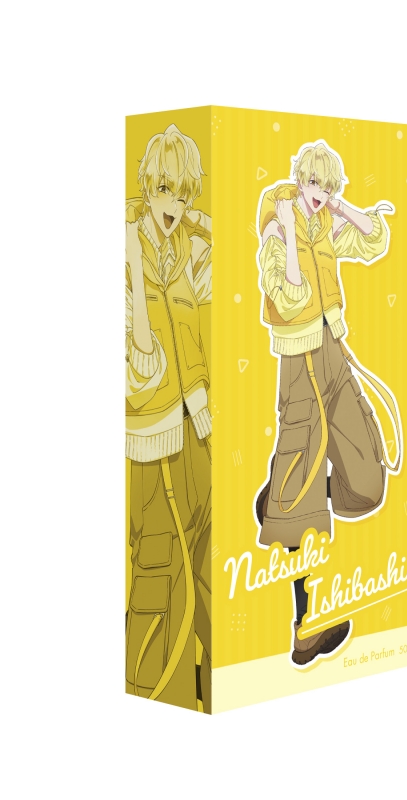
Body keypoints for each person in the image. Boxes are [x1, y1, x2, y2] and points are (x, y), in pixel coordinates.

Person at [254, 140, 402, 667]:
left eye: (329, 185)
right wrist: (287, 231)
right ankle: (306, 629)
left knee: (367, 480)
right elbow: (289, 295)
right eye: (315, 183)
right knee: (302, 507)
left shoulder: (323, 222)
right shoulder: (278, 229)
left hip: (334, 352)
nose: (320, 193)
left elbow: (374, 242)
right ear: (300, 178)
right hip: (299, 365)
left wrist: (343, 208)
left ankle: (280, 498)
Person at [125, 124, 212, 710]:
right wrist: (134, 265)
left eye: (182, 193)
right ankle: (150, 693)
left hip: (196, 426)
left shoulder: (186, 252)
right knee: (156, 567)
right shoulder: (124, 253)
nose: (173, 205)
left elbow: (195, 327)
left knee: (204, 557)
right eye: (163, 191)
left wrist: (195, 216)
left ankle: (214, 684)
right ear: (146, 188)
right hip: (150, 435)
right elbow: (139, 362)